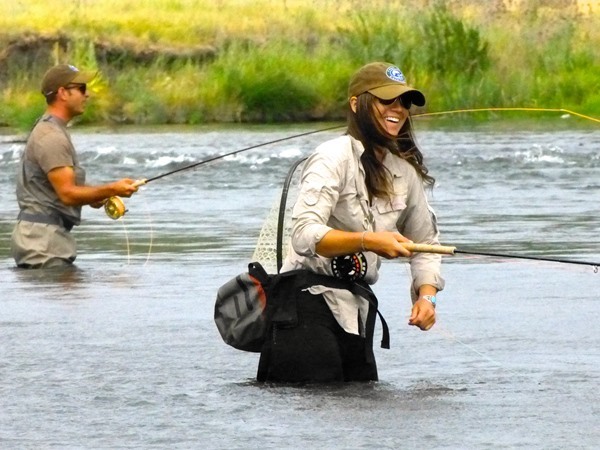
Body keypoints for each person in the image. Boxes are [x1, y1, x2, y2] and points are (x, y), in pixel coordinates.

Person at [257, 62, 445, 383]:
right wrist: (369, 241)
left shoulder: (404, 173)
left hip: (357, 313)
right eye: (387, 100)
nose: (397, 109)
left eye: (404, 102)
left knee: (364, 416)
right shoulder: (332, 157)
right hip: (304, 306)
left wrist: (427, 297)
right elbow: (304, 234)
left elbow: (426, 243)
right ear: (357, 104)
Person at [11, 64, 140, 269]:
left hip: (44, 239)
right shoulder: (51, 136)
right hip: (42, 244)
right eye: (81, 88)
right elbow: (68, 194)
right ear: (63, 92)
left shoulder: (52, 130)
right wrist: (113, 189)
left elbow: (60, 186)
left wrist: (98, 195)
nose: (87, 94)